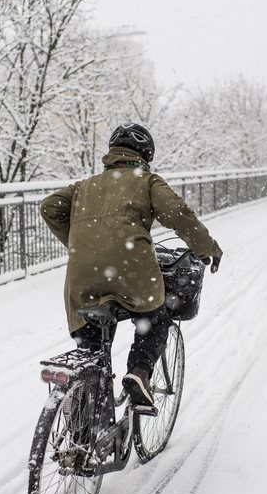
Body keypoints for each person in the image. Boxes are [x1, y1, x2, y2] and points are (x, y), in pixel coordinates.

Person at [40, 122, 222, 409]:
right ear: (145, 154)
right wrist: (206, 247)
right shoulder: (146, 181)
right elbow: (178, 213)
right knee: (158, 314)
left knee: (92, 348)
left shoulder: (83, 187)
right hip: (131, 269)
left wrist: (80, 245)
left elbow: (49, 206)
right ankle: (139, 372)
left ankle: (82, 422)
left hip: (82, 279)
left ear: (112, 152)